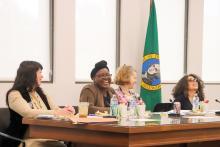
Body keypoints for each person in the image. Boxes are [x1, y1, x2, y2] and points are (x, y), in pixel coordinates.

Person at [2, 61, 74, 147]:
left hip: (45, 136)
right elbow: (28, 113)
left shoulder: (40, 92)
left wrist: (68, 111)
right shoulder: (14, 94)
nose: (42, 76)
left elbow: (57, 110)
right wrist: (58, 113)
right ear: (31, 74)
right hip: (23, 139)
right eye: (40, 72)